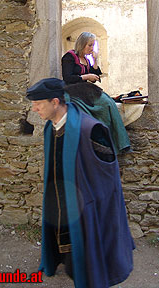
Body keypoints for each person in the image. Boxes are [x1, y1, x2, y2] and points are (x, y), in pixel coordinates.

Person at [26, 78, 135, 288]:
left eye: (38, 103)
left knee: (86, 256)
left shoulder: (91, 129)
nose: (35, 109)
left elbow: (108, 177)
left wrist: (91, 205)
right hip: (61, 201)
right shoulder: (51, 128)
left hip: (86, 207)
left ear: (55, 101)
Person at [62, 31, 131, 153]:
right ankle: (100, 139)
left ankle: (119, 141)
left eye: (93, 45)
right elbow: (67, 78)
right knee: (103, 106)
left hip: (86, 90)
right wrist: (86, 76)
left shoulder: (86, 59)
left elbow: (95, 76)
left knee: (109, 102)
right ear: (81, 44)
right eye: (89, 45)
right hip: (72, 92)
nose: (91, 48)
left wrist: (94, 60)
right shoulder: (69, 57)